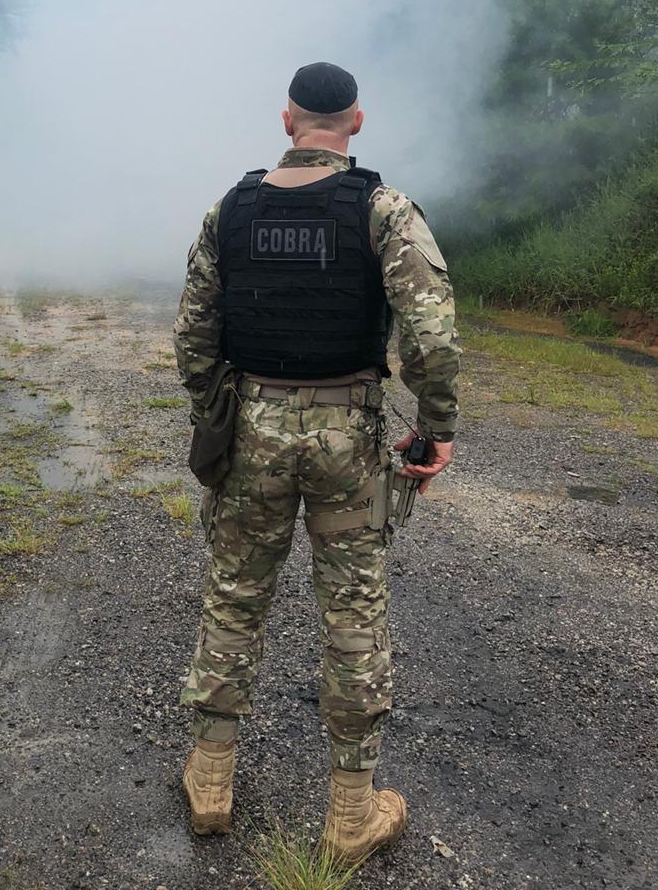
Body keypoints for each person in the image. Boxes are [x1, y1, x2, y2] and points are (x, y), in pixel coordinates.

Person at [173, 61, 460, 863]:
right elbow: (431, 338)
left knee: (235, 595)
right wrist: (435, 428)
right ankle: (349, 815)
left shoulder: (228, 211)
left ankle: (211, 782)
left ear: (286, 119)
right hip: (350, 436)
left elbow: (193, 337)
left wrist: (219, 414)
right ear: (357, 123)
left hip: (253, 430)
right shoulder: (383, 212)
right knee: (353, 612)